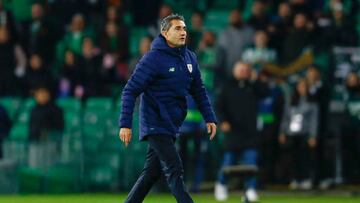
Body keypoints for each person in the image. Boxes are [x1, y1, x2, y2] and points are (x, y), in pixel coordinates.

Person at [118, 14, 217, 203]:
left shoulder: (189, 58)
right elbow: (130, 91)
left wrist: (209, 117)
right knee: (174, 167)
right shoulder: (153, 59)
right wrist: (125, 124)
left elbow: (199, 91)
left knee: (151, 173)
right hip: (155, 122)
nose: (183, 32)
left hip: (171, 123)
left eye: (184, 28)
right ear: (164, 32)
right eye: (177, 28)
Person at [215, 62, 268, 202]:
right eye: (241, 70)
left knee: (251, 163)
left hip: (250, 133)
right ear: (234, 71)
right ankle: (221, 185)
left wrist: (255, 79)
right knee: (228, 162)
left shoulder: (253, 86)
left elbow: (265, 92)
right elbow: (218, 107)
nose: (244, 72)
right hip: (233, 132)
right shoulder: (227, 86)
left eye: (246, 70)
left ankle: (251, 189)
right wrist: (223, 122)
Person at [279, 78, 318, 190]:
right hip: (292, 134)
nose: (302, 89)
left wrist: (312, 135)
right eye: (300, 86)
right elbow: (285, 118)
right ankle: (295, 179)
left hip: (305, 133)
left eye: (304, 86)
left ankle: (306, 179)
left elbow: (314, 120)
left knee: (305, 158)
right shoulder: (291, 101)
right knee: (293, 158)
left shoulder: (312, 102)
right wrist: (282, 132)